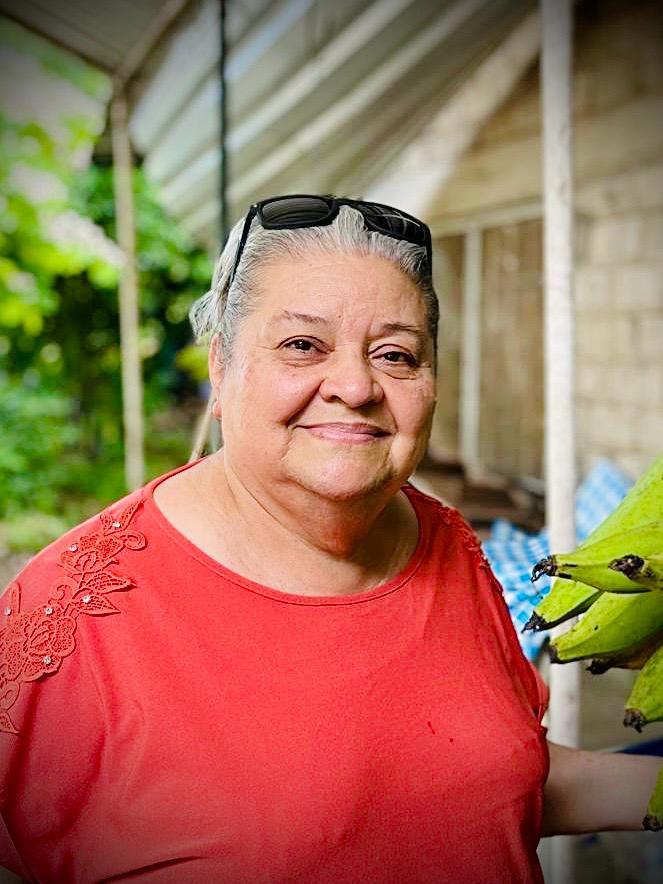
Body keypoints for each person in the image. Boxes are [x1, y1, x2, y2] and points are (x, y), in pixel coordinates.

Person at [0, 194, 660, 883]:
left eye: (395, 354)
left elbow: (490, 781)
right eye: (301, 345)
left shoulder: (447, 541)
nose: (353, 384)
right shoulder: (68, 616)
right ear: (220, 368)